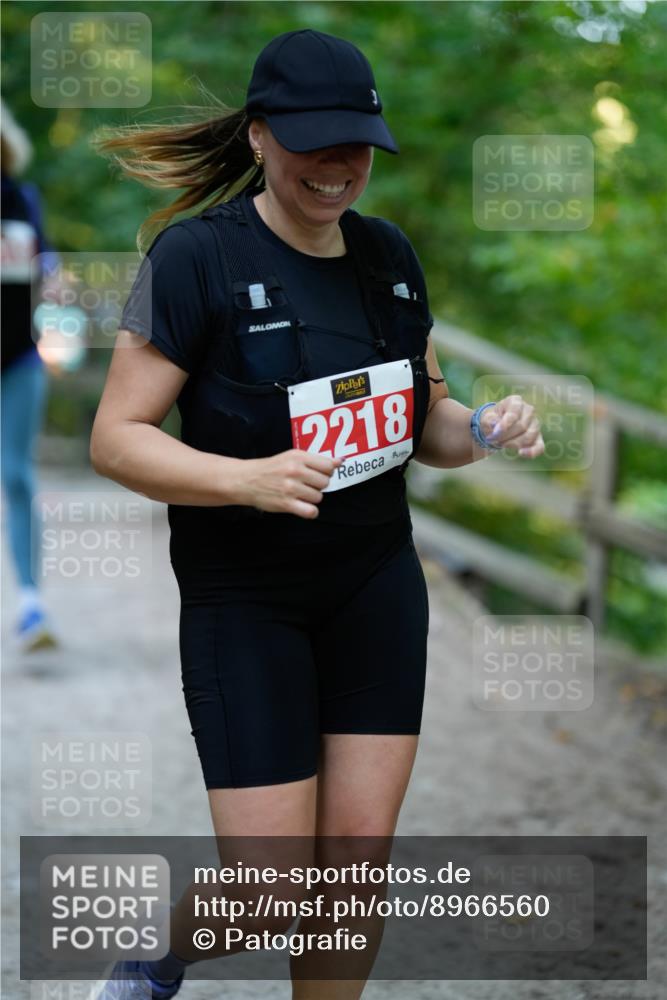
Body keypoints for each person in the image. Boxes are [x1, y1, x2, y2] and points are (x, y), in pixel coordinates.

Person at [90, 28, 544, 1000]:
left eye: (358, 144)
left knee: (351, 868)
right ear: (258, 136)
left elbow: (429, 423)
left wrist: (489, 428)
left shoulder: (387, 257)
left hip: (374, 585)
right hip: (245, 596)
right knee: (269, 885)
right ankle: (153, 965)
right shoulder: (196, 258)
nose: (340, 166)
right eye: (313, 141)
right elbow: (117, 438)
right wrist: (244, 479)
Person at [1, 99, 58, 651]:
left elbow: (47, 266)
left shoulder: (22, 200)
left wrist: (55, 279)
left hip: (18, 359)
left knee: (16, 477)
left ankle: (31, 605)